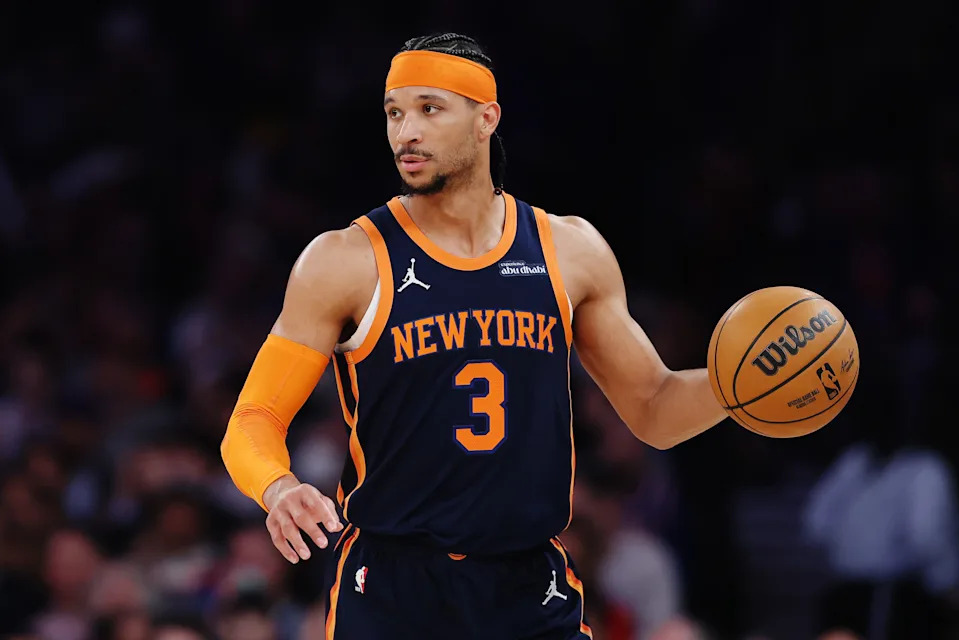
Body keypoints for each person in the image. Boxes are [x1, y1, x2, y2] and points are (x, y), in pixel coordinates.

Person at [220, 32, 729, 639]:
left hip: (527, 583)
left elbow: (653, 409)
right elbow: (251, 419)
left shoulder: (569, 250)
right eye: (394, 113)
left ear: (486, 118)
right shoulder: (344, 260)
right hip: (393, 586)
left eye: (430, 109)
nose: (406, 131)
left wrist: (736, 389)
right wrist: (279, 489)